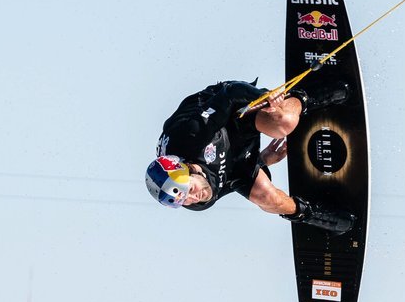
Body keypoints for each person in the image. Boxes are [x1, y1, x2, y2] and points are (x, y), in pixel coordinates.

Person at [146, 76, 356, 231]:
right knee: (268, 199)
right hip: (232, 155)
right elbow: (229, 181)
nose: (194, 197)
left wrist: (266, 98)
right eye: (185, 201)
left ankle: (308, 95)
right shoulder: (198, 203)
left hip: (229, 115)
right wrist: (262, 160)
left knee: (283, 123)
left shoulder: (191, 135)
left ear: (188, 170)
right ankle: (313, 215)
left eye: (190, 190)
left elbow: (230, 92)